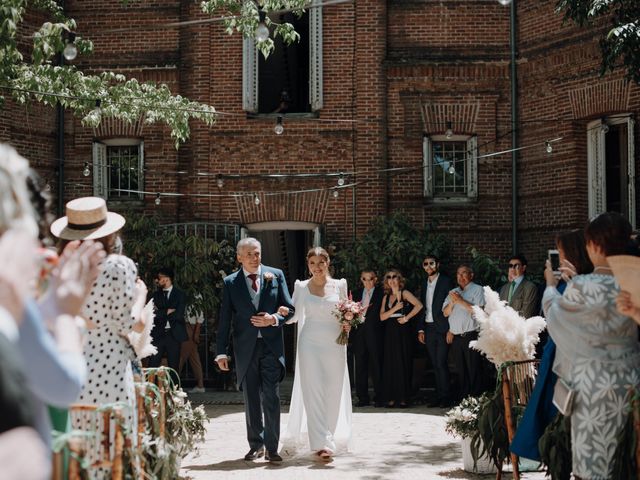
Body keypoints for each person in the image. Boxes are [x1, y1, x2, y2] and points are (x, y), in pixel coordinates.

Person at [51, 196, 148, 477]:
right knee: (112, 450)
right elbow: (132, 323)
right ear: (109, 233)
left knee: (79, 452)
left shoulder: (61, 267)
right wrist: (141, 295)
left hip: (71, 365)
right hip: (109, 368)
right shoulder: (118, 266)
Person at [543, 212, 640, 479]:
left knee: (593, 462)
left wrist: (551, 286)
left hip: (593, 384)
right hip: (632, 380)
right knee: (630, 458)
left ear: (595, 245)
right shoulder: (634, 282)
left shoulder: (584, 285)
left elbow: (556, 317)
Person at [510, 229, 593, 461]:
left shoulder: (577, 284)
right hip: (554, 353)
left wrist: (550, 285)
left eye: (562, 253)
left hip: (566, 359)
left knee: (559, 416)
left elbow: (555, 318)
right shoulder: (569, 281)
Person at [216, 238, 294, 463]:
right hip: (245, 348)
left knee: (271, 396)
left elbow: (289, 308)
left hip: (271, 346)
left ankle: (272, 448)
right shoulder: (231, 283)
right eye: (249, 254)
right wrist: (221, 352)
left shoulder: (275, 275)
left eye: (257, 253)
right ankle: (256, 445)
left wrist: (275, 318)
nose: (254, 258)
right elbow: (225, 319)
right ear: (239, 257)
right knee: (251, 397)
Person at [283, 247, 352, 460]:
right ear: (308, 265)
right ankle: (321, 443)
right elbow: (293, 316)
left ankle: (329, 435)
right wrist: (280, 313)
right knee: (313, 389)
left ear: (328, 262)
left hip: (335, 343)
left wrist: (349, 321)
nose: (317, 267)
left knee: (333, 389)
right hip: (309, 343)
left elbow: (346, 312)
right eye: (312, 263)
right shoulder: (301, 287)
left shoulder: (340, 285)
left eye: (321, 262)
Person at [380, 269, 423, 408]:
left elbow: (419, 305)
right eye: (389, 277)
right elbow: (382, 317)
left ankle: (403, 398)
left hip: (402, 330)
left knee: (402, 361)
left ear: (399, 279)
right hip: (389, 332)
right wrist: (394, 309)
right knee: (390, 363)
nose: (391, 279)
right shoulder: (386, 297)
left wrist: (407, 317)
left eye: (394, 277)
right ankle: (392, 397)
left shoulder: (404, 293)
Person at [442, 264, 485, 402]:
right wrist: (453, 302)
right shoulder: (452, 292)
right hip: (456, 338)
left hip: (471, 335)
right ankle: (464, 401)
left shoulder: (478, 289)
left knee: (474, 369)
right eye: (458, 274)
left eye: (464, 273)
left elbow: (478, 311)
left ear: (471, 275)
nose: (460, 277)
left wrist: (460, 300)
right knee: (461, 371)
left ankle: (476, 401)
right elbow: (445, 313)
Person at [417, 255, 454, 408]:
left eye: (431, 263)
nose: (428, 266)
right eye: (425, 264)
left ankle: (446, 397)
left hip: (443, 328)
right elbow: (423, 307)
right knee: (434, 363)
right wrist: (421, 328)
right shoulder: (424, 284)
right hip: (428, 327)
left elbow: (453, 305)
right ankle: (439, 396)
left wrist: (451, 329)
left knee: (441, 362)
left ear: (437, 265)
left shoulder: (446, 281)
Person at [351, 269, 385, 407]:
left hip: (375, 334)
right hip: (359, 335)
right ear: (361, 279)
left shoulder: (381, 293)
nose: (367, 282)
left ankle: (379, 397)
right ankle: (362, 398)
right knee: (360, 366)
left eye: (370, 279)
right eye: (364, 279)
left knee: (376, 365)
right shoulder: (356, 294)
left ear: (375, 279)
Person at [149, 267, 188, 382]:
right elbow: (152, 314)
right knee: (153, 364)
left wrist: (160, 312)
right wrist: (167, 311)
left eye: (159, 279)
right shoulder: (155, 295)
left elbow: (179, 314)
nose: (157, 281)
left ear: (167, 279)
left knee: (173, 366)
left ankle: (174, 394)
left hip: (173, 334)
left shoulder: (180, 295)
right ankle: (150, 394)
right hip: (158, 334)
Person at [498, 254, 538, 319]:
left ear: (523, 268)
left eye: (516, 266)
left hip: (520, 327)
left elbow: (526, 314)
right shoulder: (504, 288)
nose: (512, 269)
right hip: (503, 328)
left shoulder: (530, 287)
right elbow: (499, 310)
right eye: (510, 266)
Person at [179, 298, 206, 393]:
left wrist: (196, 332)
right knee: (194, 357)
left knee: (181, 356)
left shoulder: (195, 295)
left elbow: (200, 315)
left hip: (189, 326)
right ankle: (200, 384)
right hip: (189, 326)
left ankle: (174, 384)